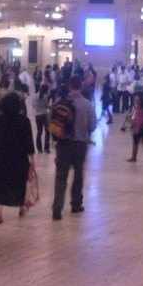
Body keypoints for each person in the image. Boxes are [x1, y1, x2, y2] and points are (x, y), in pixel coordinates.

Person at [0, 92, 35, 224]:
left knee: (1, 183)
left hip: (0, 156)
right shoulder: (24, 121)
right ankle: (22, 207)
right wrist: (32, 160)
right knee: (19, 182)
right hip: (18, 158)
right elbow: (28, 143)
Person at [52, 76, 97, 220]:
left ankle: (57, 209)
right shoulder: (88, 105)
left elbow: (53, 123)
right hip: (80, 145)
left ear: (70, 86)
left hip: (63, 144)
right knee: (78, 174)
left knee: (61, 177)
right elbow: (92, 126)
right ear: (81, 86)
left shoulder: (60, 103)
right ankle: (76, 204)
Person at [33, 84, 51, 154]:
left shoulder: (35, 96)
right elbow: (46, 106)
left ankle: (39, 149)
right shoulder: (46, 96)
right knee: (47, 131)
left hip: (37, 115)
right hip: (44, 115)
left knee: (39, 132)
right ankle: (46, 148)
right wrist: (50, 107)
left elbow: (33, 105)